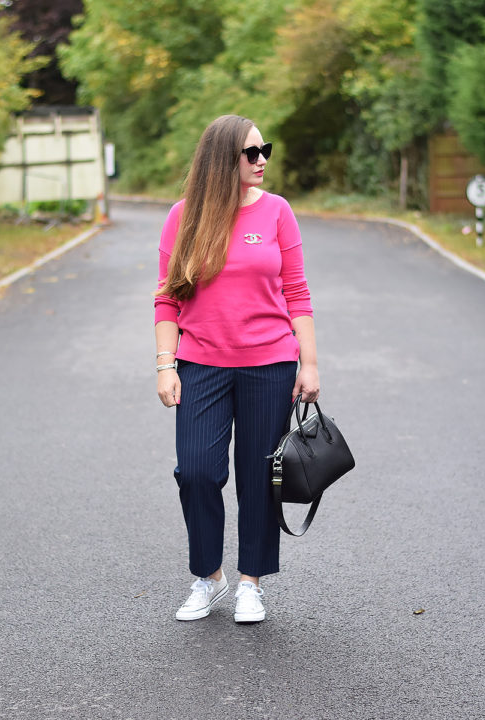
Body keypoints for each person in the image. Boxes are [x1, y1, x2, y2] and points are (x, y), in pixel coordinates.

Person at [154, 115, 319, 624]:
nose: (263, 159)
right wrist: (165, 365)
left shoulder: (277, 212)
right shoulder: (184, 216)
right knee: (197, 472)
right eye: (252, 152)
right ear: (224, 159)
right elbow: (167, 297)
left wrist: (308, 362)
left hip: (269, 363)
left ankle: (251, 582)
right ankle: (209, 577)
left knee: (257, 476)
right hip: (200, 363)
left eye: (265, 149)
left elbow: (297, 292)